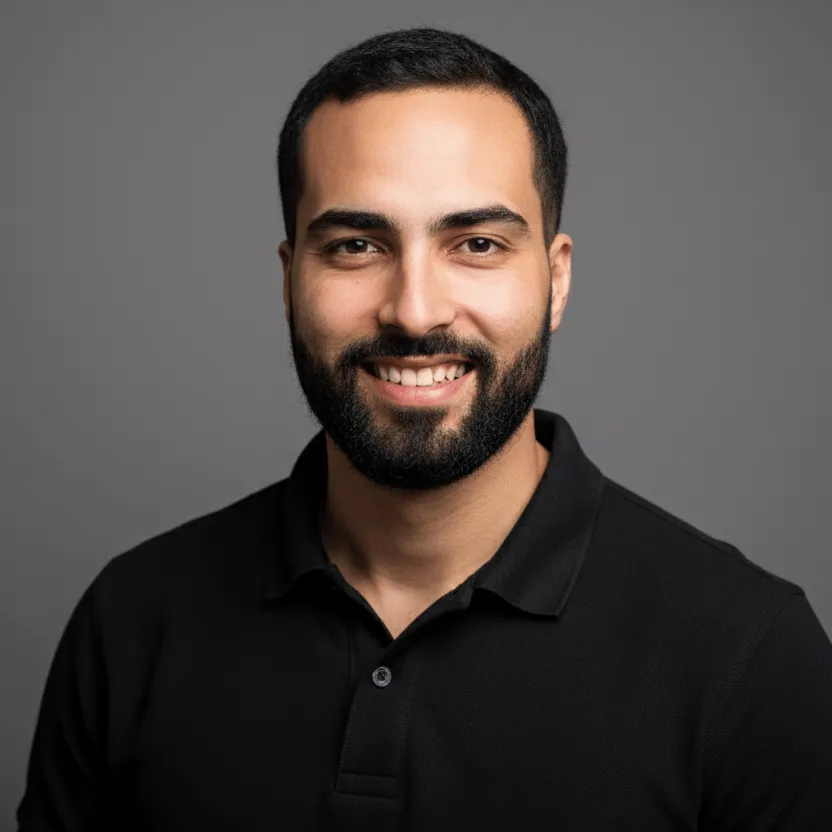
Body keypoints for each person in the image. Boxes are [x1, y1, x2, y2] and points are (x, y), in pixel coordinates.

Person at [16, 26, 832, 832]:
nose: (414, 311)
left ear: (555, 281)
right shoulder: (134, 619)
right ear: (290, 280)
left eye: (476, 243)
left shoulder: (748, 654)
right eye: (355, 246)